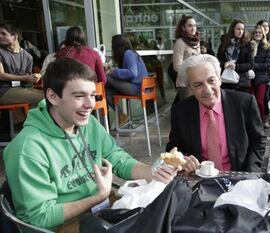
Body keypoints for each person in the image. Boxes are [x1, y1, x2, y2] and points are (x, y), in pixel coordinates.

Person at [3, 58, 178, 230]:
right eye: (79, 96)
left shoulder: (88, 124)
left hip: (99, 214)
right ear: (53, 97)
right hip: (60, 227)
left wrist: (155, 171)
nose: (90, 105)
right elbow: (39, 218)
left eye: (93, 96)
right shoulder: (27, 149)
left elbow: (117, 159)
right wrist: (98, 196)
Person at [166, 54, 266, 172]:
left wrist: (249, 175)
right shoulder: (180, 111)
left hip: (238, 177)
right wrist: (183, 159)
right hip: (198, 180)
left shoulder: (244, 103)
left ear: (219, 79)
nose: (207, 90)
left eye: (211, 80)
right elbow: (173, 146)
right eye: (198, 85)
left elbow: (259, 142)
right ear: (190, 88)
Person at [0, 23, 43, 141]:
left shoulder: (28, 56)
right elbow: (1, 75)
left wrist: (35, 77)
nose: (0, 36)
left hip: (20, 90)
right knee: (45, 98)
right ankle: (31, 129)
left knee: (50, 96)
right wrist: (25, 78)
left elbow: (28, 82)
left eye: (3, 33)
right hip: (4, 91)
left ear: (15, 37)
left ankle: (24, 124)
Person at [105, 34, 148, 108]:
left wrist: (114, 71)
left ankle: (94, 91)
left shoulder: (128, 54)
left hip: (137, 88)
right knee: (107, 92)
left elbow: (132, 73)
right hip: (140, 88)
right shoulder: (132, 53)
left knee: (106, 77)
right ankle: (121, 116)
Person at [217, 19, 253, 92]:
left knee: (242, 103)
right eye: (238, 29)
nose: (241, 32)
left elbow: (250, 64)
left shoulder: (247, 44)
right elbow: (218, 60)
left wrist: (236, 66)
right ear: (233, 29)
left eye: (242, 29)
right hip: (226, 81)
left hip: (242, 82)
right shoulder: (224, 42)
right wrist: (224, 64)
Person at [173, 15, 201, 101]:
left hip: (197, 81)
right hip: (185, 84)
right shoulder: (180, 42)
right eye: (190, 26)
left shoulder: (196, 42)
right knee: (189, 111)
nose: (193, 28)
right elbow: (177, 67)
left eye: (194, 25)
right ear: (183, 28)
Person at [251, 25, 270, 128]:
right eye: (256, 33)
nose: (258, 34)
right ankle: (252, 121)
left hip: (261, 78)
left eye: (260, 33)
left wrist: (253, 65)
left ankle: (262, 120)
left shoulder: (267, 47)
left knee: (260, 100)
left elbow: (267, 64)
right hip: (250, 78)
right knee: (251, 101)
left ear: (263, 34)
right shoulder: (249, 45)